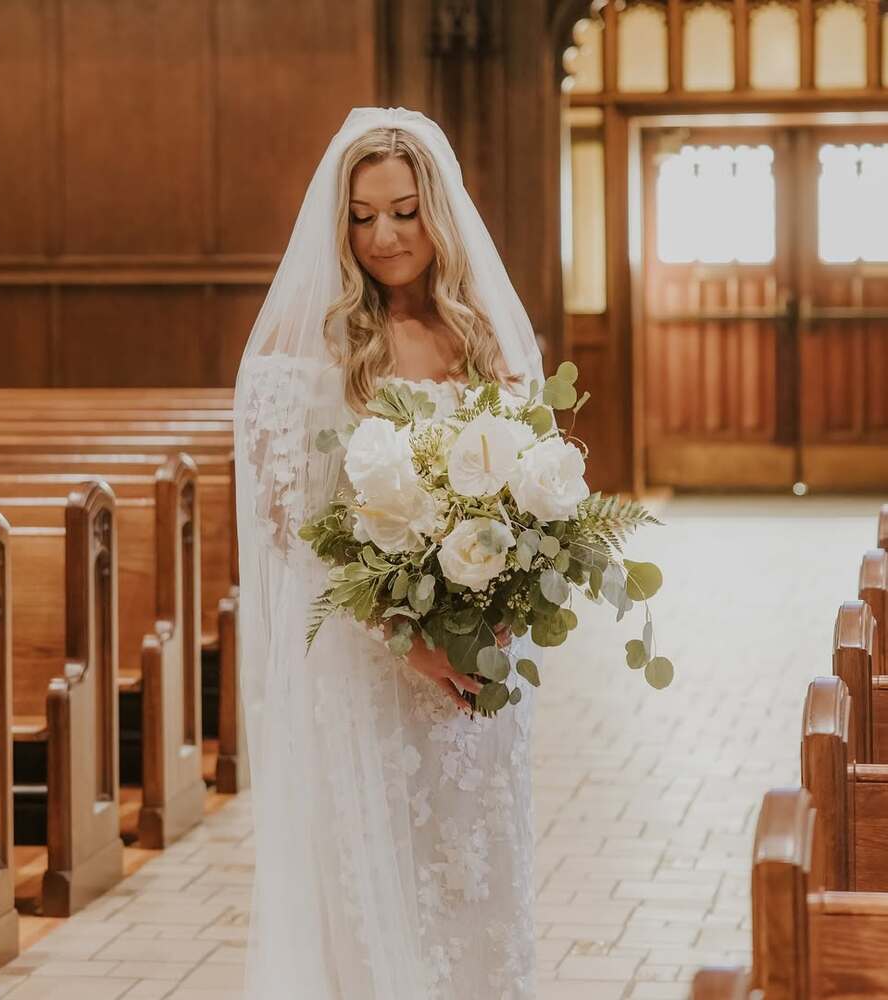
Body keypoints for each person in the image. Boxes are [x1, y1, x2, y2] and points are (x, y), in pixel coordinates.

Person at [233, 106, 544, 1000]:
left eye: (404, 211)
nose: (384, 236)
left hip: (479, 665)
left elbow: (527, 500)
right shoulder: (313, 353)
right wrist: (411, 638)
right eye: (363, 216)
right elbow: (296, 532)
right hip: (366, 663)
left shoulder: (485, 339)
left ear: (436, 211)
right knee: (377, 882)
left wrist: (496, 615)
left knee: (472, 865)